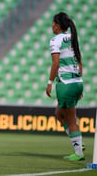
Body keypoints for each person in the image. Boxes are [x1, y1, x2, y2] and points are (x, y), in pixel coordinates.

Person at [46, 12, 84, 161]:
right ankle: (78, 143)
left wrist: (49, 83)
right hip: (76, 82)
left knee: (71, 119)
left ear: (57, 25)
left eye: (53, 23)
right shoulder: (72, 38)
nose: (51, 25)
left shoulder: (55, 40)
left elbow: (56, 63)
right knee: (59, 114)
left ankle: (78, 151)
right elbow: (79, 60)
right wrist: (78, 82)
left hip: (66, 83)